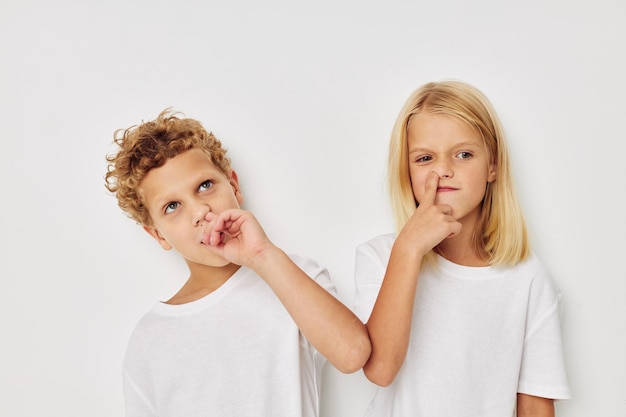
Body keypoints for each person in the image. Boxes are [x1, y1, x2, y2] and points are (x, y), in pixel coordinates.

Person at [104, 109, 371, 417]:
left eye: (205, 185)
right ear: (157, 235)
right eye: (172, 206)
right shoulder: (150, 340)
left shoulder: (291, 277)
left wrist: (262, 256)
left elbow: (353, 354)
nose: (200, 211)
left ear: (234, 185)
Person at [354, 80, 570, 417]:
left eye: (464, 154)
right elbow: (380, 370)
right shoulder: (381, 257)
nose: (443, 169)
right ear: (407, 172)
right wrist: (408, 249)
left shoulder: (528, 279)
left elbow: (535, 406)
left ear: (493, 165)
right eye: (425, 158)